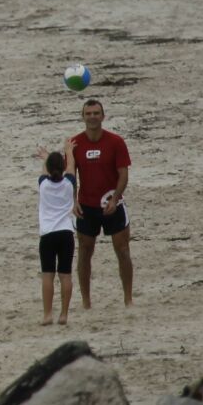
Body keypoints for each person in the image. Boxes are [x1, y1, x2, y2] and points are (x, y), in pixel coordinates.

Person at [63, 99, 132, 308]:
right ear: (82, 116)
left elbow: (123, 175)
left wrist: (115, 198)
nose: (92, 117)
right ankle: (86, 302)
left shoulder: (116, 142)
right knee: (84, 251)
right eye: (88, 113)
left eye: (96, 113)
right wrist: (73, 201)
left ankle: (128, 299)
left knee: (122, 250)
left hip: (113, 204)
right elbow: (70, 175)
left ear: (103, 116)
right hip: (87, 206)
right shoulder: (74, 144)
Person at [36, 149, 77, 326]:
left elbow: (45, 171)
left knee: (48, 275)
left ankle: (47, 314)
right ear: (62, 168)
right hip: (66, 233)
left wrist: (45, 159)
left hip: (48, 234)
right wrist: (70, 150)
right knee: (65, 275)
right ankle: (64, 314)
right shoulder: (69, 183)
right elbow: (72, 166)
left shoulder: (43, 184)